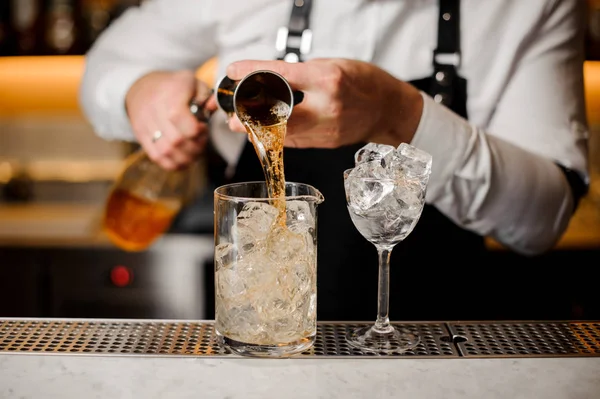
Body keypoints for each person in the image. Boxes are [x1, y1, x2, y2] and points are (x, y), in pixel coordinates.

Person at [79, 0, 590, 321]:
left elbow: (543, 219)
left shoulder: (531, 7)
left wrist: (400, 113)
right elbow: (109, 63)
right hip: (261, 337)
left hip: (436, 339)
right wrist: (140, 91)